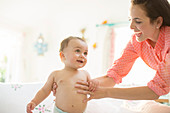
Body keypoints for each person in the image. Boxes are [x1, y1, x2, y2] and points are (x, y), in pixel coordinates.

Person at [53, 0, 170, 102]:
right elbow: (114, 76)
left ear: (158, 22)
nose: (131, 26)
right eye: (130, 20)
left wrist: (106, 93)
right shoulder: (137, 42)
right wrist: (76, 84)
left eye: (138, 21)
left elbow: (154, 91)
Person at [27, 36, 91, 113]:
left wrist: (93, 87)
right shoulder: (56, 74)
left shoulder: (85, 74)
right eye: (77, 51)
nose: (82, 56)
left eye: (85, 53)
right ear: (62, 56)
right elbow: (44, 91)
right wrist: (34, 102)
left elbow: (94, 90)